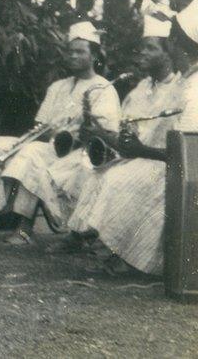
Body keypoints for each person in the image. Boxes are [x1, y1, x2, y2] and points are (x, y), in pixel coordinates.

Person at [77, 4, 198, 275]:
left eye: (173, 39)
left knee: (122, 179)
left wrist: (142, 150)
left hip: (184, 173)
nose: (172, 44)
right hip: (173, 165)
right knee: (110, 174)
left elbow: (189, 153)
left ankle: (135, 259)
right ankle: (118, 251)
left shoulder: (194, 87)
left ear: (180, 45)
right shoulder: (189, 82)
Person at [0, 22, 121, 245]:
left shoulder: (104, 88)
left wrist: (72, 135)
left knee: (32, 153)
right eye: (70, 51)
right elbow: (41, 123)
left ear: (94, 56)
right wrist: (45, 133)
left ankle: (24, 228)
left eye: (80, 51)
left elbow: (105, 132)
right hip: (49, 142)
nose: (73, 56)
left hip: (76, 151)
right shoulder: (58, 86)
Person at [47, 14, 180, 254]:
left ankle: (112, 248)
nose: (143, 53)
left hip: (160, 162)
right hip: (134, 156)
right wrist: (105, 135)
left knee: (113, 179)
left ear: (167, 53)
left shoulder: (178, 89)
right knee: (88, 171)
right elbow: (126, 129)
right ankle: (80, 235)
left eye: (151, 48)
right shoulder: (141, 87)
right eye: (142, 48)